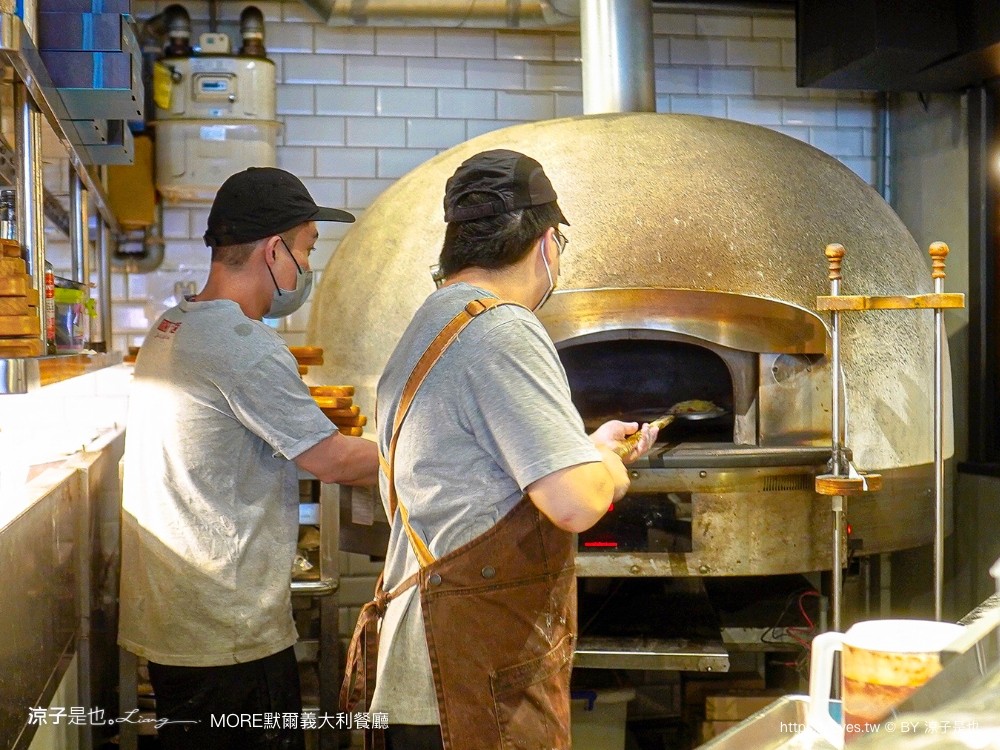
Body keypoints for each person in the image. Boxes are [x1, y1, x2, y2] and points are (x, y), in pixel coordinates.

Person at [341, 149, 658, 750]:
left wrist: (579, 447)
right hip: (468, 690)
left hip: (429, 676)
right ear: (545, 241)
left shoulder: (434, 321)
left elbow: (475, 466)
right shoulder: (502, 329)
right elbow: (575, 504)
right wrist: (609, 468)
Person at [119, 167, 379, 750]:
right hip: (228, 633)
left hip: (179, 618)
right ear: (273, 249)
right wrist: (427, 453)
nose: (306, 268)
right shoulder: (245, 346)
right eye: (307, 250)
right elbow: (334, 460)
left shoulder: (174, 324)